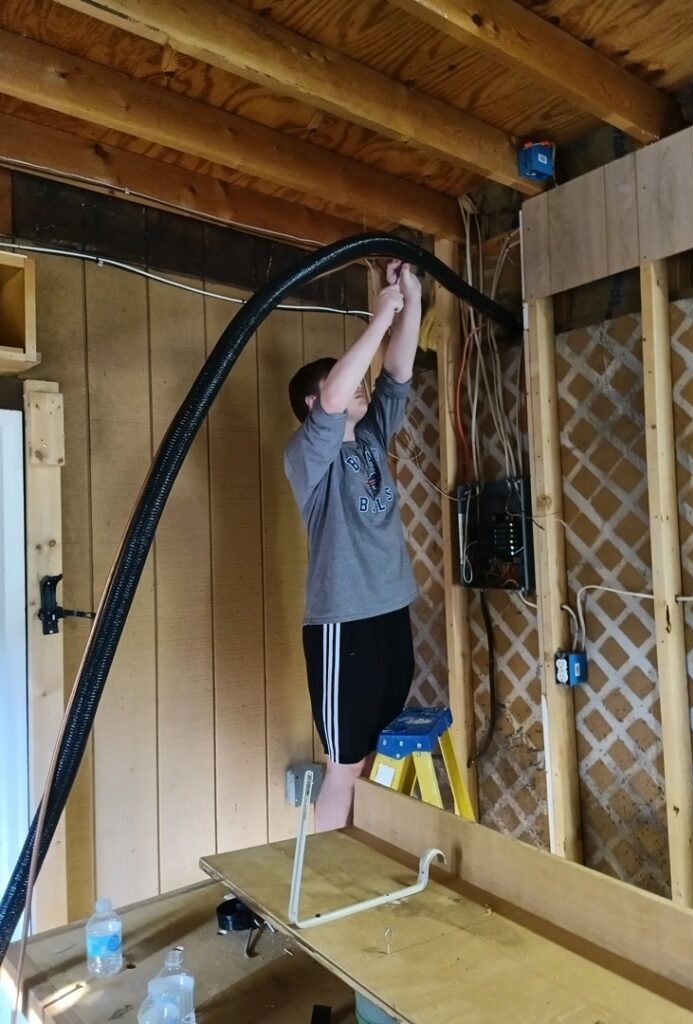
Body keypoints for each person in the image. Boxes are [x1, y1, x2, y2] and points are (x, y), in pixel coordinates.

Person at [284, 260, 422, 831]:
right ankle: (325, 892)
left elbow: (396, 374)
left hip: (391, 610)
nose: (360, 384)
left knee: (374, 751)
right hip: (344, 622)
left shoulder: (368, 437)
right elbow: (343, 390)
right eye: (341, 385)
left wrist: (410, 301)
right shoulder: (307, 455)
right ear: (314, 407)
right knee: (343, 765)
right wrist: (379, 315)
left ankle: (364, 860)